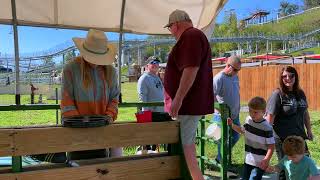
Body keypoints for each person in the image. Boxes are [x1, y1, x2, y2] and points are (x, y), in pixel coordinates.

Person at [163, 9, 214, 180]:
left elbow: (190, 69)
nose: (171, 32)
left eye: (170, 28)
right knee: (186, 148)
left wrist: (177, 99)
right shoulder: (194, 36)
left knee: (186, 150)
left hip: (186, 106)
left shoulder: (191, 36)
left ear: (175, 25)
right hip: (187, 106)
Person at [61, 29, 121, 160]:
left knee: (102, 169)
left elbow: (114, 98)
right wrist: (81, 127)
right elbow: (67, 102)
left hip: (102, 132)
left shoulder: (111, 72)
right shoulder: (70, 69)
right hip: (76, 135)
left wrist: (108, 117)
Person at [266, 66, 314, 180]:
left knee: (304, 165)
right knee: (285, 168)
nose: (288, 78)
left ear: (295, 77)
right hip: (283, 139)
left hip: (299, 138)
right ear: (281, 78)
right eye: (284, 76)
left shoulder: (300, 93)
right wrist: (267, 138)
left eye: (291, 75)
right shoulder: (277, 94)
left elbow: (305, 113)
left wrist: (309, 130)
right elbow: (270, 118)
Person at [227, 96, 275, 180]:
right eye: (250, 111)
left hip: (260, 163)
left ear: (264, 112)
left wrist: (266, 160)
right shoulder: (248, 120)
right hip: (248, 159)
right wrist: (232, 125)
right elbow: (242, 130)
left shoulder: (267, 127)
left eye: (255, 112)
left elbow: (271, 146)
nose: (252, 114)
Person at [213, 55, 241, 163]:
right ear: (228, 65)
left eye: (238, 70)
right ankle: (221, 160)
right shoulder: (218, 78)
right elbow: (211, 96)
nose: (236, 72)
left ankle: (220, 157)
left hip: (235, 115)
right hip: (222, 116)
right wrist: (221, 110)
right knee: (221, 139)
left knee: (236, 136)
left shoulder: (235, 76)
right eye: (235, 70)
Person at [137, 56, 164, 152]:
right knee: (149, 140)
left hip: (161, 113)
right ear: (147, 65)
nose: (155, 64)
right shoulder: (144, 78)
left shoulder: (156, 77)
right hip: (151, 114)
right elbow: (142, 99)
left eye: (157, 63)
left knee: (158, 139)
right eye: (152, 63)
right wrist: (145, 116)